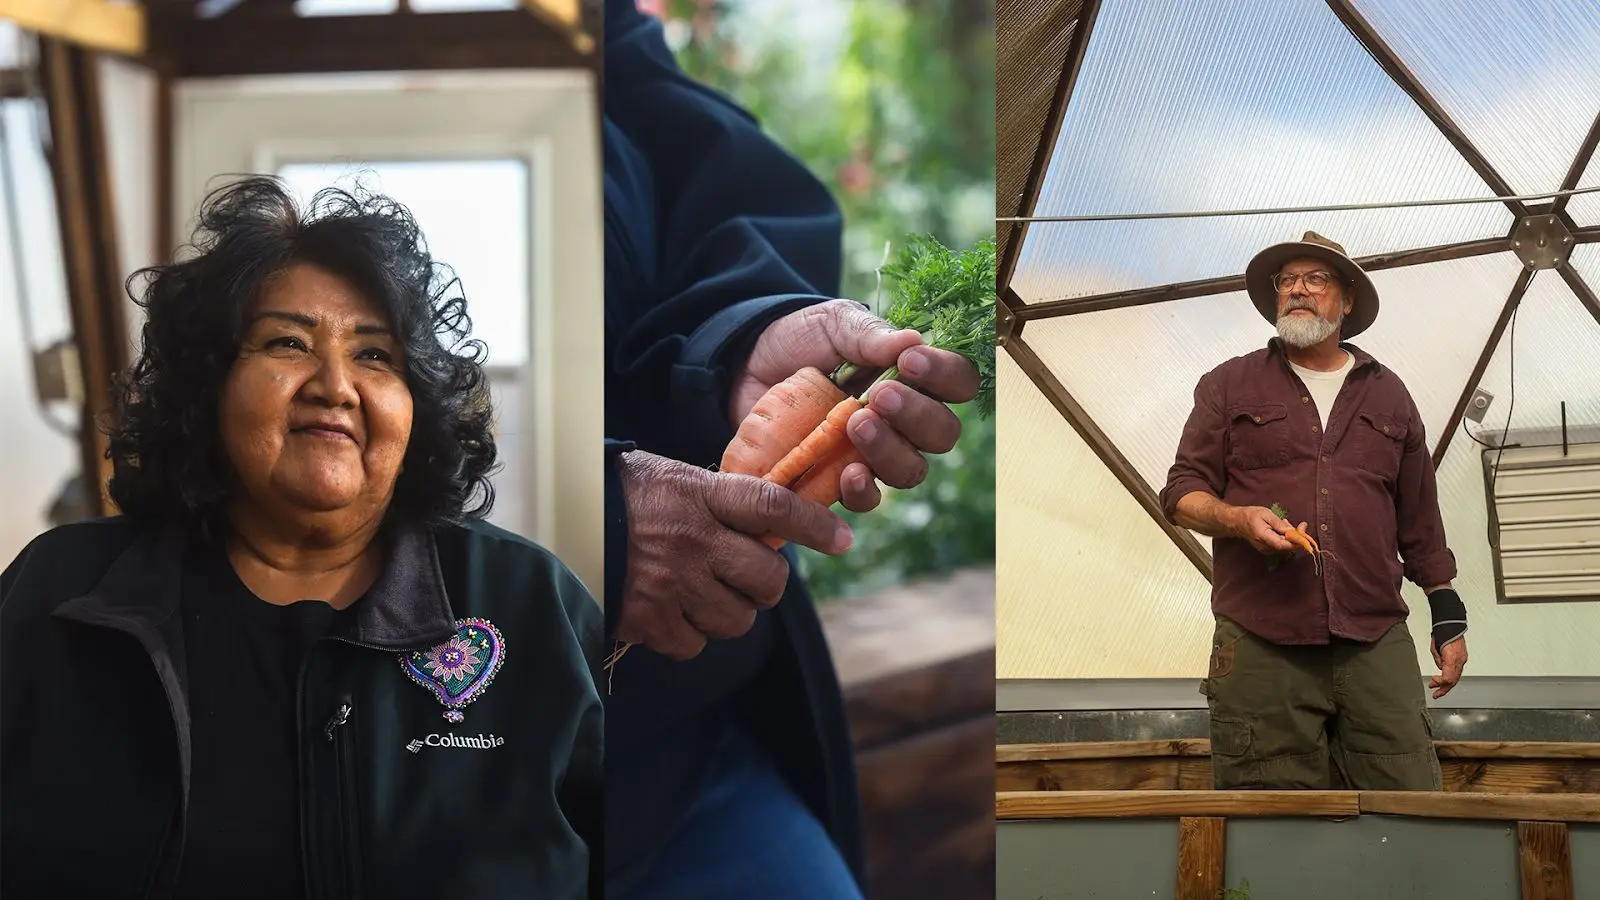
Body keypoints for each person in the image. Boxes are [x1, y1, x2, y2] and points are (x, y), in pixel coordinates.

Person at [0, 177, 602, 898]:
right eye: (288, 342)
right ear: (210, 386)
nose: (334, 385)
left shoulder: (533, 603)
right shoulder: (58, 593)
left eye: (375, 356)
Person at [602, 2, 979, 897]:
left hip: (676, 765)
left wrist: (735, 345)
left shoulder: (585, 23)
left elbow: (703, 171)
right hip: (409, 784)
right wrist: (596, 525)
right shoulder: (269, 50)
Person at [1159, 231, 1469, 791]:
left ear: (1347, 299)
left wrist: (1446, 613)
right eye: (1288, 280)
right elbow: (1182, 492)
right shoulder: (1229, 384)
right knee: (1268, 818)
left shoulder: (1390, 394)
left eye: (1316, 279)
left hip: (1374, 634)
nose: (1298, 289)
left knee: (1411, 803)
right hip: (1261, 637)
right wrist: (1237, 519)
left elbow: (1420, 518)